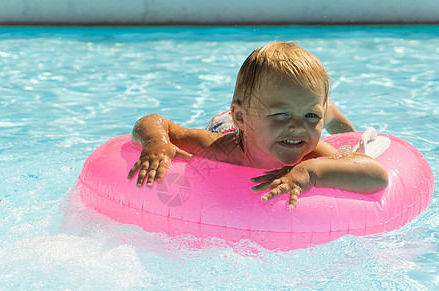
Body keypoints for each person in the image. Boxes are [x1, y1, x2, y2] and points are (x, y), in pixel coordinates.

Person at [127, 42, 387, 208]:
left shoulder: (312, 154)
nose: (298, 127)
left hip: (254, 120)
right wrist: (156, 142)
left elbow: (375, 175)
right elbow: (152, 122)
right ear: (242, 117)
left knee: (319, 114)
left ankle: (326, 111)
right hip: (226, 127)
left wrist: (311, 173)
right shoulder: (218, 148)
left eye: (311, 117)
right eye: (282, 115)